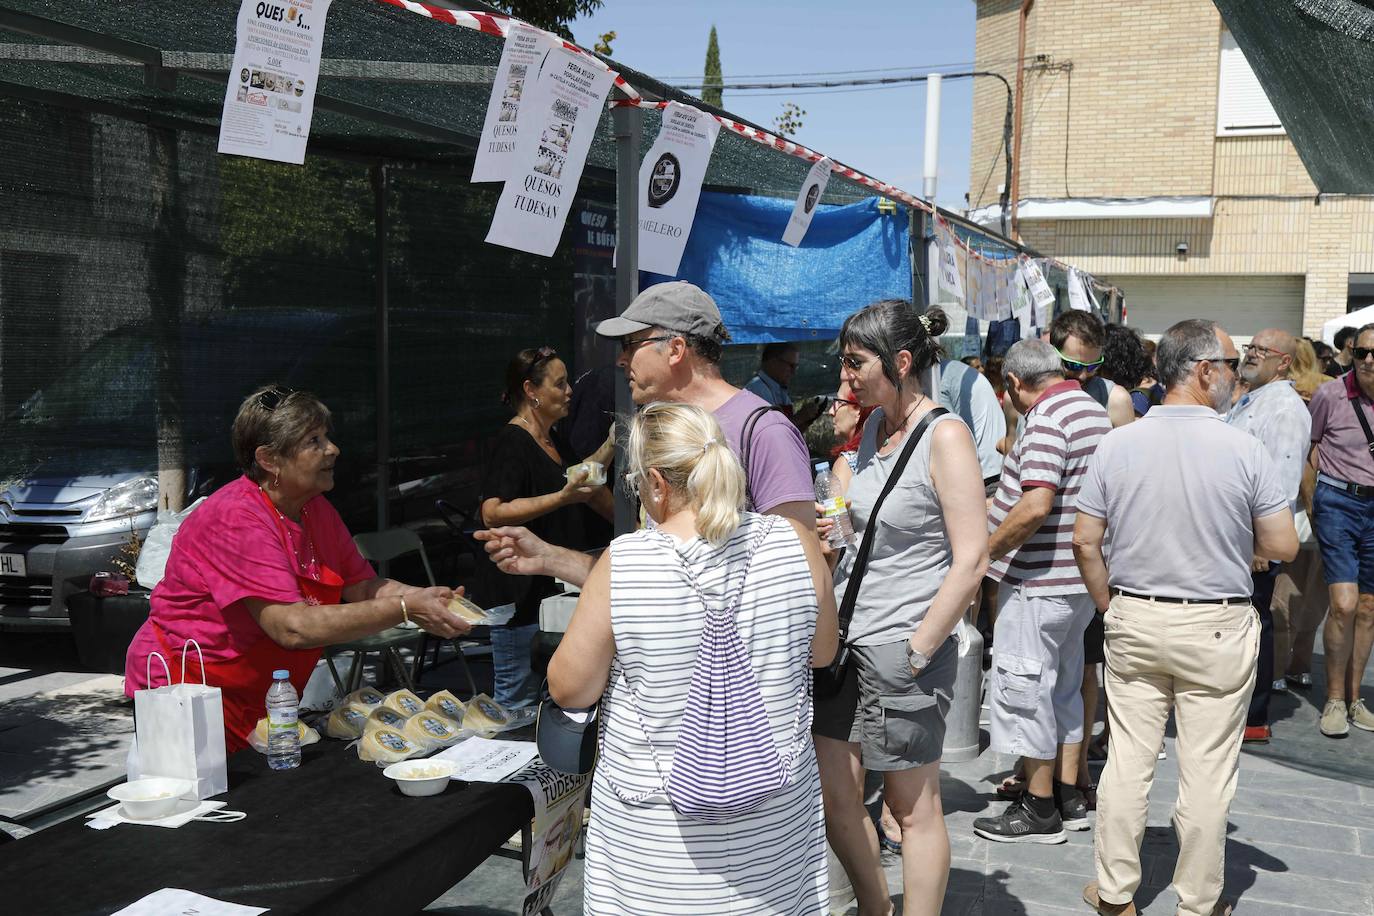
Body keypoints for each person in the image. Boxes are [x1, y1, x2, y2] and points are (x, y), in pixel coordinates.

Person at [548, 403, 839, 915]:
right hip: (772, 843)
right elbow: (823, 651)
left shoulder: (627, 562)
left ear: (656, 482)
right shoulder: (797, 543)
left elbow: (569, 689)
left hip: (656, 857)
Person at [1073, 319, 1296, 916]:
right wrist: (1236, 538)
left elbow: (1085, 542)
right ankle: (1197, 902)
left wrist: (1108, 605)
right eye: (1228, 363)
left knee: (1127, 761)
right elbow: (1283, 545)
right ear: (1202, 371)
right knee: (1207, 773)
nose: (1235, 373)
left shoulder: (1119, 444)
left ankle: (1116, 893)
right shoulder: (1242, 447)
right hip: (1216, 625)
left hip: (1136, 617)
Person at [123, 386, 473, 753]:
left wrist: (420, 596)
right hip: (189, 691)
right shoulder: (236, 518)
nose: (332, 449)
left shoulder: (315, 508)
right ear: (270, 459)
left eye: (327, 437)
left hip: (263, 696)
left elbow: (362, 585)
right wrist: (404, 610)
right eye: (314, 441)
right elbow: (291, 627)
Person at [813, 301, 989, 916]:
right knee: (838, 796)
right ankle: (873, 906)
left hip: (901, 649)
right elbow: (856, 528)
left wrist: (919, 649)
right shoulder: (866, 433)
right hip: (845, 640)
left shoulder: (945, 435)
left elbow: (972, 558)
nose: (846, 375)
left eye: (856, 362)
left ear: (902, 362)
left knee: (914, 809)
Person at [477, 282, 816, 589]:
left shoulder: (763, 432)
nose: (622, 360)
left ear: (676, 349)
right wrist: (547, 557)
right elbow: (655, 577)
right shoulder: (661, 429)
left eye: (630, 345)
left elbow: (799, 571)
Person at [974, 339, 1111, 844]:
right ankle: (1068, 791)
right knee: (1062, 687)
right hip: (1075, 580)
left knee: (1025, 691)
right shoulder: (1090, 410)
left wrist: (984, 553)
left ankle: (1038, 808)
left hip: (1039, 580)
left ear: (1013, 384)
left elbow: (1035, 506)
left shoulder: (1048, 418)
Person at [479, 347, 612, 709]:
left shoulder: (554, 439)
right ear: (530, 390)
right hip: (517, 598)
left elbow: (578, 478)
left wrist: (612, 445)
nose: (570, 391)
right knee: (516, 706)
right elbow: (493, 512)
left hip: (548, 596)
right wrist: (560, 499)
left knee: (546, 702)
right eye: (560, 384)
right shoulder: (512, 441)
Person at [1226, 329, 1311, 743]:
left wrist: (1262, 543)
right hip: (1235, 535)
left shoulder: (1285, 409)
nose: (1253, 354)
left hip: (1253, 541)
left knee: (1252, 624)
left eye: (1264, 350)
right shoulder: (1253, 398)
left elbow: (1282, 481)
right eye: (1252, 347)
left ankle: (1253, 717)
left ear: (1284, 363)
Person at [1307, 323, 1374, 737]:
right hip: (1338, 503)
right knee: (1345, 604)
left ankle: (1355, 699)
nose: (1369, 359)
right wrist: (1314, 503)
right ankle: (1333, 699)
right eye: (1363, 351)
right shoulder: (1330, 394)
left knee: (1368, 608)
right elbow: (1309, 448)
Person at [1271, 338, 1332, 690]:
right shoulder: (1329, 390)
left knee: (1284, 595)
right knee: (1314, 596)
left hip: (1294, 512)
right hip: (1330, 514)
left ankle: (1278, 669)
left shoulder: (1283, 395)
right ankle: (1301, 664)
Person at [937, 354, 1007, 495]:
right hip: (995, 470)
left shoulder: (940, 378)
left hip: (984, 477)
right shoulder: (955, 372)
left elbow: (944, 439)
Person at [745, 341, 824, 431]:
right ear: (773, 362)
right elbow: (770, 432)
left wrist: (807, 420)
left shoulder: (779, 389)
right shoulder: (757, 390)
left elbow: (791, 432)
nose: (793, 372)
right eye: (791, 366)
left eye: (796, 367)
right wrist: (800, 417)